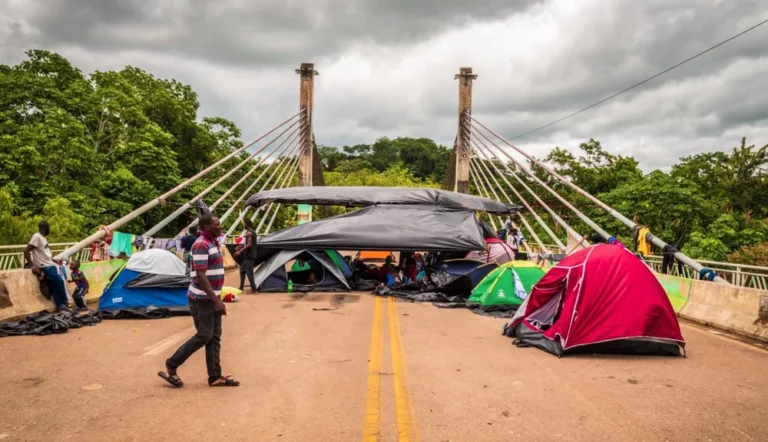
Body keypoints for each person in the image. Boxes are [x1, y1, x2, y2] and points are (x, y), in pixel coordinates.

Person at [158, 215, 239, 388]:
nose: (220, 227)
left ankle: (215, 376)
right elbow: (200, 275)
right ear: (208, 227)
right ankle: (172, 364)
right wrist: (215, 300)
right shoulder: (201, 244)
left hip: (212, 297)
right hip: (201, 298)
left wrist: (218, 297)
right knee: (204, 335)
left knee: (214, 336)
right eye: (217, 225)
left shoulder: (213, 243)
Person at [24, 221, 69, 312]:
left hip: (50, 263)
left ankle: (63, 304)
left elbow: (43, 253)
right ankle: (62, 303)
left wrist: (52, 259)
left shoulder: (43, 238)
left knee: (60, 279)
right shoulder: (36, 237)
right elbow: (26, 251)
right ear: (46, 228)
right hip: (44, 265)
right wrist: (32, 265)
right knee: (57, 280)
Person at [235, 219, 257, 293]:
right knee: (242, 271)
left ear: (247, 224)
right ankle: (241, 287)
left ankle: (254, 289)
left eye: (244, 224)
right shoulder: (251, 232)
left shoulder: (249, 233)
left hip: (249, 255)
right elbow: (249, 243)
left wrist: (239, 252)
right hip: (248, 255)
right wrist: (240, 246)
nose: (244, 225)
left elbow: (249, 244)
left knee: (249, 273)